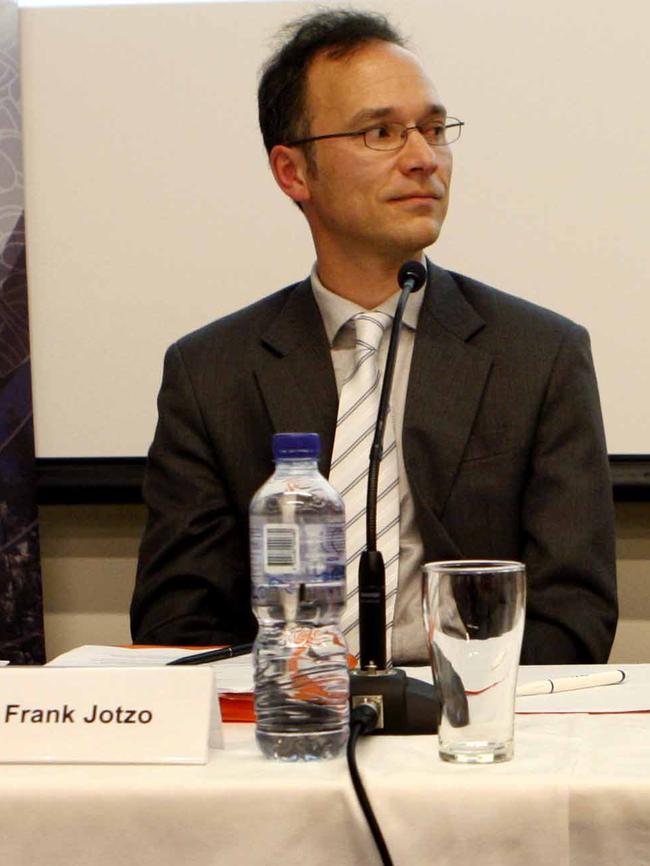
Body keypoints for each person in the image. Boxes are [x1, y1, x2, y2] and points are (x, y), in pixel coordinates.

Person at [130, 9, 617, 664]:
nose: (423, 159)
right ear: (293, 173)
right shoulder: (211, 372)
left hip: (470, 731)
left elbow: (573, 613)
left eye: (434, 130)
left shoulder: (540, 356)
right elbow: (176, 619)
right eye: (381, 132)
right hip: (287, 728)